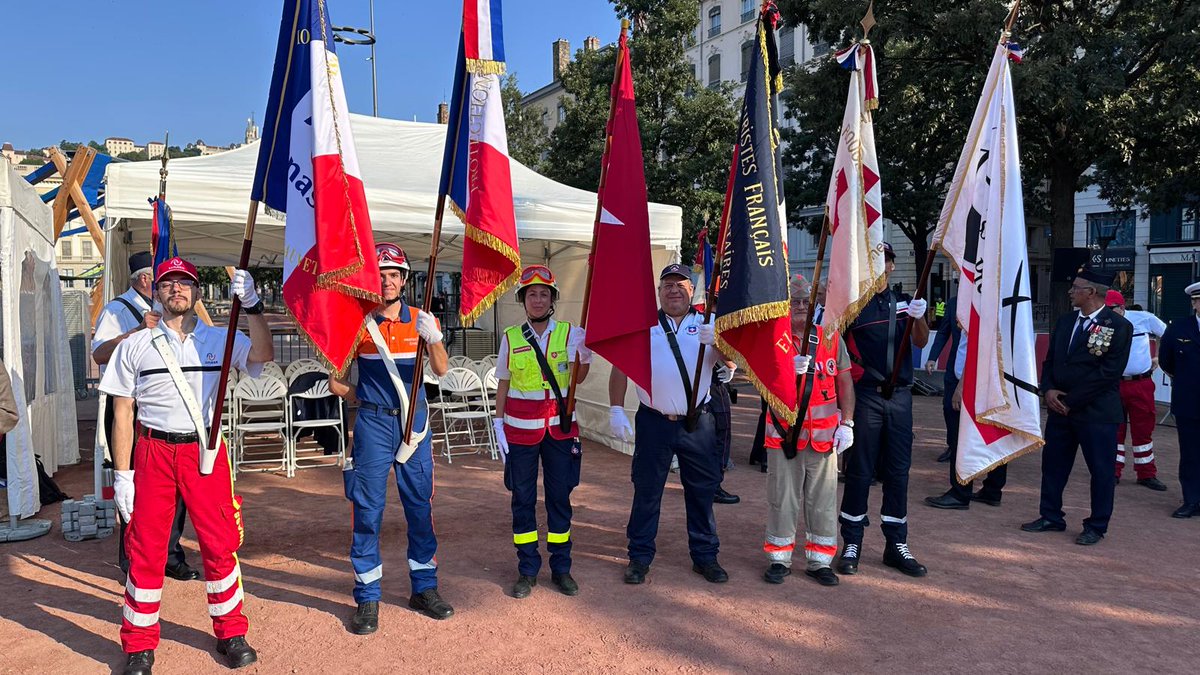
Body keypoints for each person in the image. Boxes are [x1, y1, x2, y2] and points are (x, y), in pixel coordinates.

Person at [101, 257, 272, 674]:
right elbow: (122, 411)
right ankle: (139, 644)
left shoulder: (220, 339)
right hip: (153, 452)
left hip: (205, 452)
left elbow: (263, 354)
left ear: (196, 292)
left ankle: (231, 633)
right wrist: (122, 475)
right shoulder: (135, 344)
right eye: (167, 283)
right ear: (156, 292)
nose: (176, 289)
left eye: (184, 283)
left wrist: (252, 306)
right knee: (146, 549)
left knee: (219, 544)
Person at [330, 243, 454, 631]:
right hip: (373, 425)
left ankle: (425, 588)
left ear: (404, 280)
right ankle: (368, 597)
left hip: (415, 424)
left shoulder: (421, 319)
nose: (386, 281)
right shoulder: (357, 321)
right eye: (380, 275)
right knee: (367, 510)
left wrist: (434, 337)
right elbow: (336, 381)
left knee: (419, 507)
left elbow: (442, 370)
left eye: (393, 275)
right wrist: (362, 397)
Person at [609, 263, 730, 585]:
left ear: (691, 291)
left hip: (697, 423)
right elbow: (621, 368)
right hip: (654, 421)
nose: (674, 291)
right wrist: (616, 408)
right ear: (659, 291)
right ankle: (639, 556)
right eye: (668, 285)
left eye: (680, 285)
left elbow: (733, 363)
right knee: (647, 491)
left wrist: (718, 343)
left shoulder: (708, 323)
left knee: (701, 492)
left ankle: (705, 556)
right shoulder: (643, 325)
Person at [93, 251, 197, 581]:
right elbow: (98, 354)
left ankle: (171, 554)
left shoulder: (171, 311)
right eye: (162, 279)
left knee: (174, 485)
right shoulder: (117, 309)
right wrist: (137, 331)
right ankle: (132, 557)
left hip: (164, 403)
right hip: (128, 403)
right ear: (144, 279)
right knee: (132, 483)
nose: (171, 286)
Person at [492, 265, 592, 599]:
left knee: (559, 498)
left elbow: (578, 379)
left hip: (559, 431)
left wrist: (585, 354)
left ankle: (561, 568)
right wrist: (498, 421)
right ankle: (527, 569)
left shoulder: (569, 332)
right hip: (520, 432)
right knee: (522, 499)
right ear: (523, 299)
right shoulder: (511, 337)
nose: (538, 299)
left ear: (552, 299)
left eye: (544, 294)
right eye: (532, 294)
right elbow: (504, 382)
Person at [838, 241, 930, 577]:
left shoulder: (905, 303)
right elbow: (837, 349)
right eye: (875, 260)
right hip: (866, 396)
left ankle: (896, 543)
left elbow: (920, 341)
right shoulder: (853, 307)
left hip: (901, 397)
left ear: (891, 266)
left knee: (898, 471)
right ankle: (852, 541)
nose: (881, 266)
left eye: (886, 260)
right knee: (860, 470)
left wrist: (919, 317)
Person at [1023, 267, 1132, 545]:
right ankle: (1050, 515)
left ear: (1091, 292)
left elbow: (1108, 373)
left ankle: (1096, 525)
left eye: (1076, 287)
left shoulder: (1117, 326)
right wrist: (1048, 389)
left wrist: (1070, 401)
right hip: (1059, 411)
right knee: (1053, 466)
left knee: (1101, 471)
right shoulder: (1066, 321)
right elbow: (1051, 360)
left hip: (1096, 413)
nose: (1071, 291)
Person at [762, 274, 855, 587]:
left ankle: (820, 560)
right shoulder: (773, 338)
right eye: (795, 302)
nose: (801, 306)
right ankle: (779, 558)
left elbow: (845, 381)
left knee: (823, 501)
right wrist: (785, 370)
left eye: (806, 301)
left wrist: (848, 423)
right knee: (782, 499)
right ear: (785, 306)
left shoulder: (830, 336)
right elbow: (760, 380)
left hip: (824, 438)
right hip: (783, 434)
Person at [923, 328, 1008, 509]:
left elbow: (979, 348)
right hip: (987, 380)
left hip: (974, 382)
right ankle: (992, 490)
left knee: (961, 436)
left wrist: (962, 386)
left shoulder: (982, 311)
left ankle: (960, 492)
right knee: (993, 433)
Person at [1105, 290, 1168, 491]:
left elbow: (1167, 335)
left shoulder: (1143, 319)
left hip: (1140, 383)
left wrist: (1159, 357)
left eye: (1111, 308)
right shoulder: (1102, 324)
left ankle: (1146, 473)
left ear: (1122, 307)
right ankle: (1112, 471)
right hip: (1113, 384)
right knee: (1114, 430)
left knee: (1143, 430)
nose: (1108, 312)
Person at [1157, 281, 1200, 518]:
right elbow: (1166, 361)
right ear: (1194, 303)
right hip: (1189, 401)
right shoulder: (1178, 328)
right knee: (1191, 454)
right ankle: (1192, 499)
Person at [925, 293, 960, 464]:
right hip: (954, 367)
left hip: (979, 368)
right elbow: (943, 332)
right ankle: (953, 446)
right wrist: (932, 357)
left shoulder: (985, 301)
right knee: (949, 407)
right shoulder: (953, 303)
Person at [709, 363, 741, 504]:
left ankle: (701, 484)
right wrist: (731, 365)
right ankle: (714, 487)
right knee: (720, 434)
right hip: (713, 379)